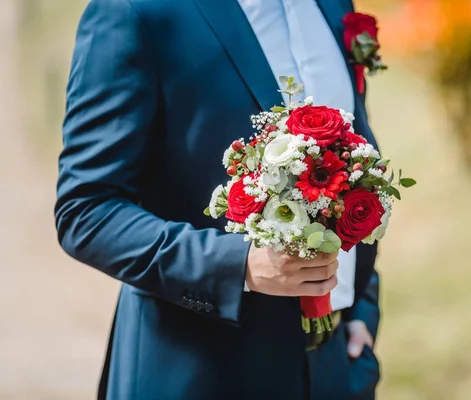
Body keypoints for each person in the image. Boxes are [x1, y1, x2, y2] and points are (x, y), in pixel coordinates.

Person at [55, 0, 381, 398]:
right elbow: (87, 212)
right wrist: (240, 266)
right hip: (199, 371)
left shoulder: (330, 5)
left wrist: (361, 311)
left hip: (334, 369)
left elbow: (355, 164)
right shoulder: (134, 12)